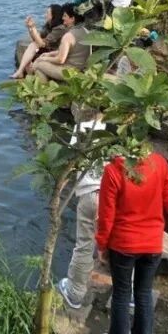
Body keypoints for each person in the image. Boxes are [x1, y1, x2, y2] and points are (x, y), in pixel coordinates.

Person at [97, 151, 168, 334]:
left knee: (121, 294)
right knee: (144, 294)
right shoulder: (159, 162)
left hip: (123, 243)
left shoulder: (113, 169)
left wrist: (102, 245)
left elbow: (106, 216)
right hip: (153, 243)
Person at [58, 114, 107, 309]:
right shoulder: (119, 131)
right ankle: (128, 293)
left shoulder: (82, 128)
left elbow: (71, 164)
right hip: (116, 195)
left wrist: (59, 191)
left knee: (84, 245)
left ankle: (75, 293)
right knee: (121, 245)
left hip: (90, 194)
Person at [32, 4, 91, 81]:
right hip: (82, 69)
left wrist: (44, 59)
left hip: (70, 72)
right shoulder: (86, 31)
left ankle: (43, 89)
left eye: (65, 16)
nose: (62, 18)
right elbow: (70, 51)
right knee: (41, 61)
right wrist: (49, 54)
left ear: (72, 18)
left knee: (38, 64)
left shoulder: (68, 36)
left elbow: (60, 60)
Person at [10, 3, 66, 79]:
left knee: (33, 47)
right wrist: (30, 28)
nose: (45, 15)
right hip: (48, 48)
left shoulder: (60, 28)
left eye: (47, 13)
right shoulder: (49, 25)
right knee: (31, 49)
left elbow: (42, 44)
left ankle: (21, 72)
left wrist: (33, 28)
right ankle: (24, 74)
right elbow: (36, 39)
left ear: (54, 15)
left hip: (55, 52)